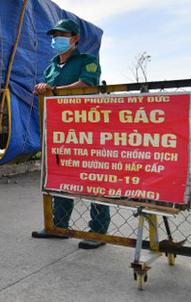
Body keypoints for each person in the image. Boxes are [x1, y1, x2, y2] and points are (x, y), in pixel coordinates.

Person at [31, 18, 110, 249]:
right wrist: (42, 88)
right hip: (60, 130)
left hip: (88, 130)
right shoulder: (51, 65)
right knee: (60, 177)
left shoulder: (88, 61)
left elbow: (86, 84)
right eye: (55, 36)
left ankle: (98, 231)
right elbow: (48, 89)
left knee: (94, 178)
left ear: (75, 38)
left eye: (63, 35)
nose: (57, 40)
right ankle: (59, 226)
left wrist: (53, 90)